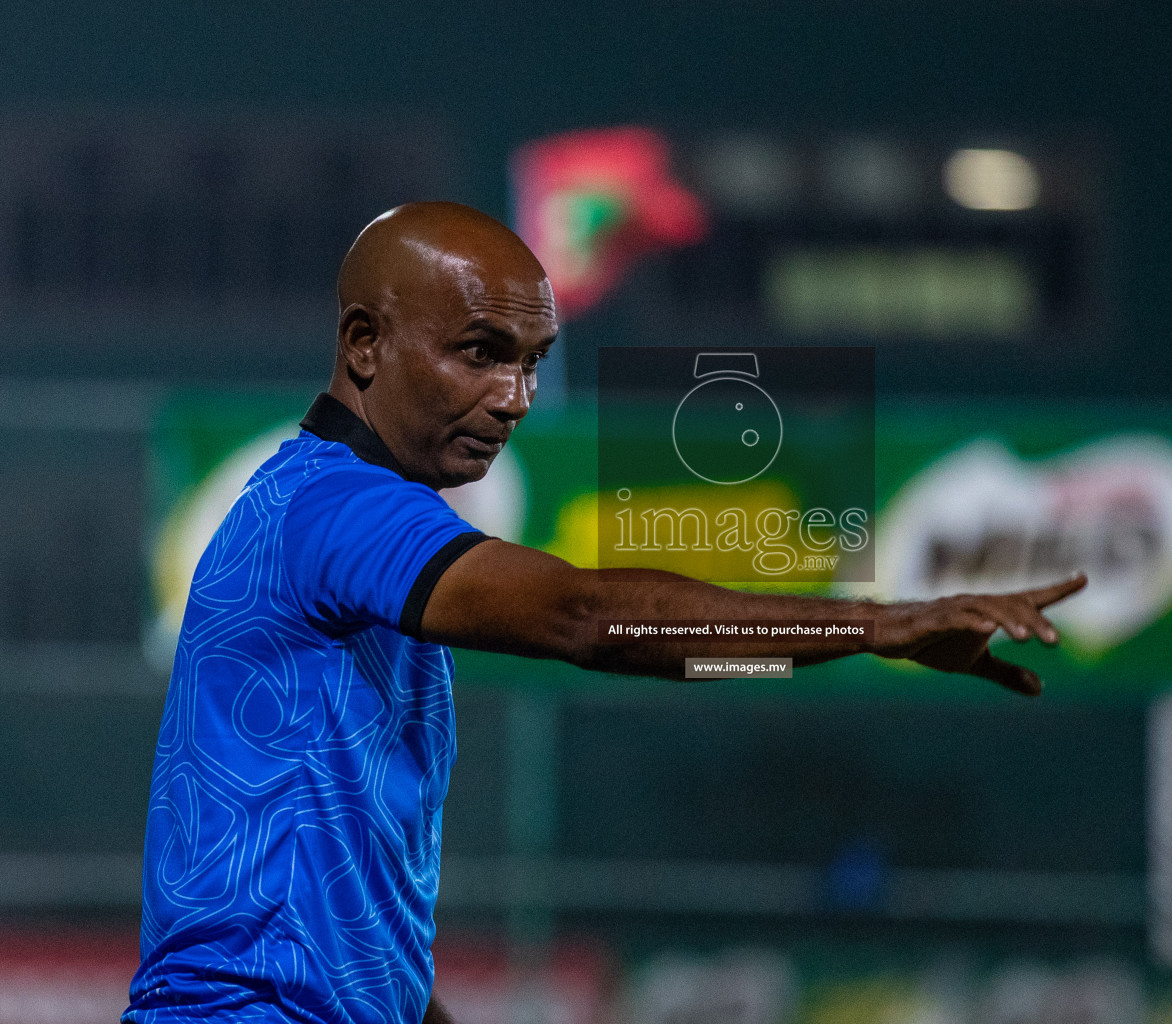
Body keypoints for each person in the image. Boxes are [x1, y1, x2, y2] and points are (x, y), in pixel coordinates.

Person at [124, 201, 1087, 1024]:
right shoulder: (334, 506)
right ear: (364, 345)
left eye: (532, 361)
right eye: (479, 354)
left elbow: (339, 917)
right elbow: (587, 620)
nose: (515, 398)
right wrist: (876, 629)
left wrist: (803, 655)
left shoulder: (341, 522)